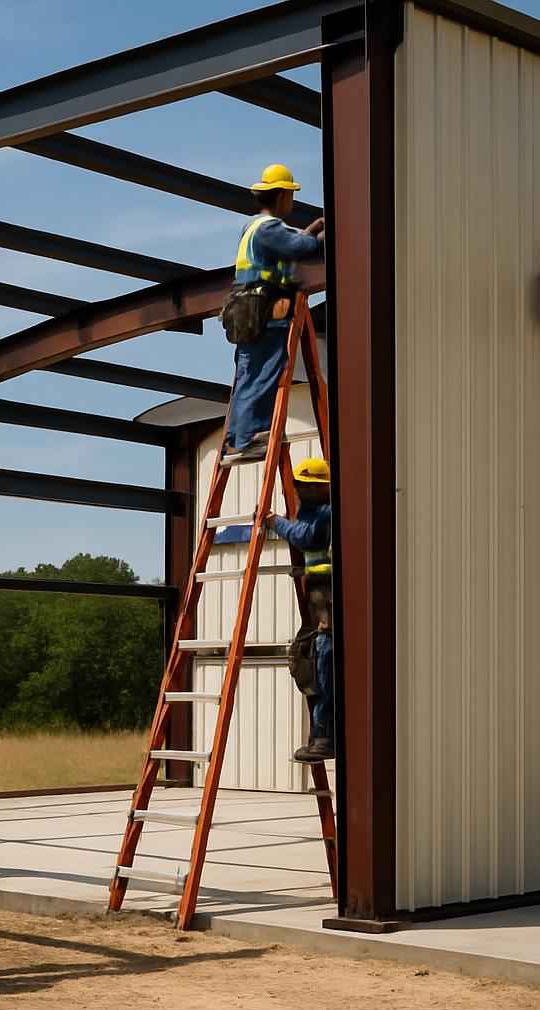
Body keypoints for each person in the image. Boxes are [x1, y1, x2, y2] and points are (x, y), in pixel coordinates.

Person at [221, 164, 326, 464]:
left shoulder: (253, 227)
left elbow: (289, 243)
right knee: (263, 374)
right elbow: (299, 247)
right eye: (290, 195)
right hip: (264, 311)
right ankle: (249, 438)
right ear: (281, 196)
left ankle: (236, 440)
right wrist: (322, 235)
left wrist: (309, 232)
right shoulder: (269, 229)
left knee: (248, 375)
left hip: (246, 310)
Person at [264, 458, 334, 763]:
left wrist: (276, 523)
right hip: (318, 601)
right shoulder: (312, 511)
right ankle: (319, 736)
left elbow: (307, 537)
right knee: (307, 662)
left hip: (329, 601)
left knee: (322, 669)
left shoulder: (326, 514)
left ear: (322, 488)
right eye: (299, 485)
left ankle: (324, 738)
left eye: (306, 486)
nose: (300, 490)